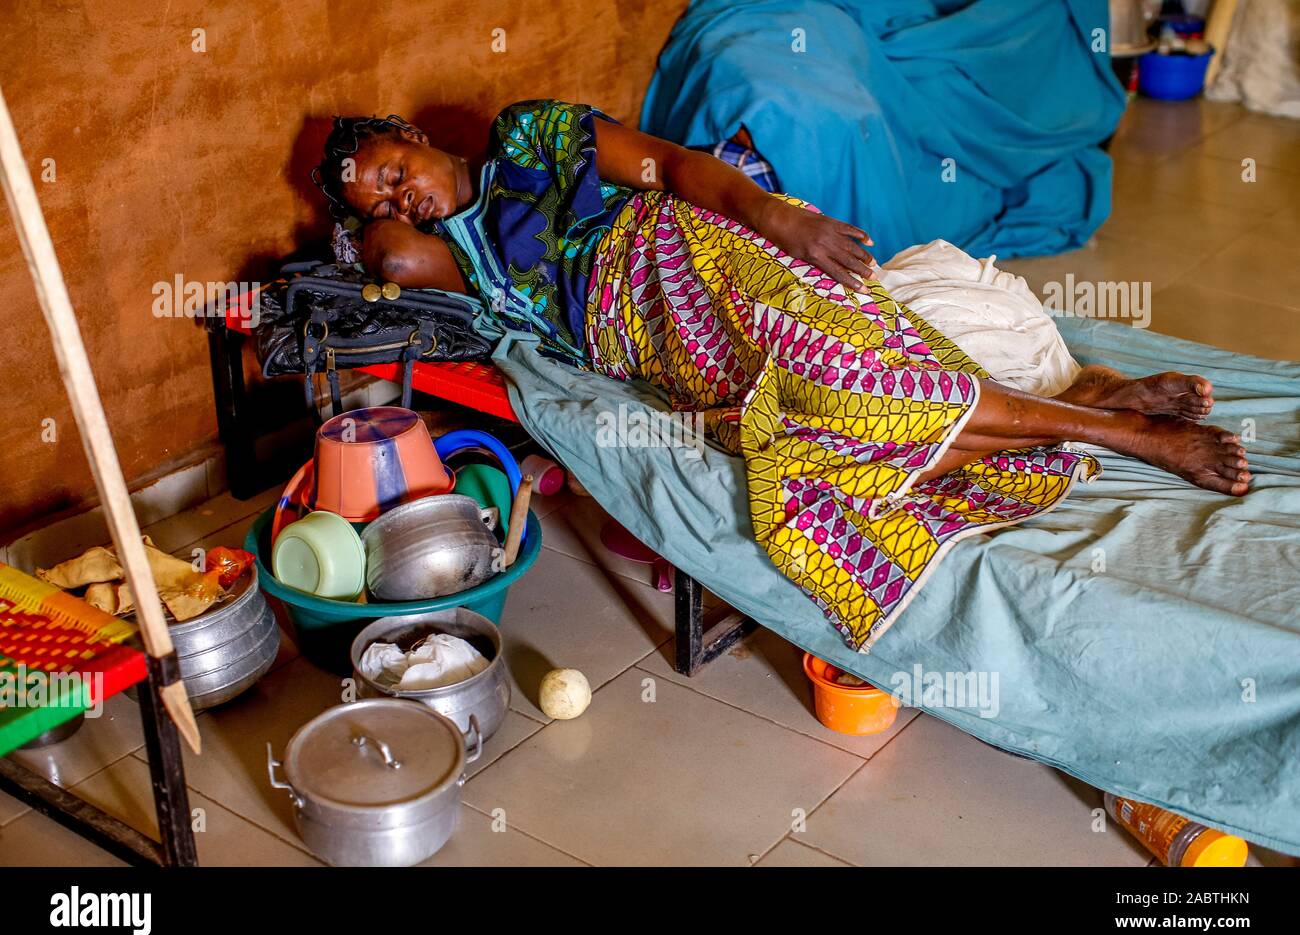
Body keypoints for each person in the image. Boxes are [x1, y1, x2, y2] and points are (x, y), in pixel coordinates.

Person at [312, 100, 1249, 648]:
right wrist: (370, 217)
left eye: (395, 167)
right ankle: (1087, 415)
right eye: (383, 199)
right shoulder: (452, 261)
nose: (404, 197)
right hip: (637, 334)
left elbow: (672, 168)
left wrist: (774, 217)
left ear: (410, 132)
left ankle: (1122, 430)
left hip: (691, 244)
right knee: (827, 412)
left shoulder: (527, 135)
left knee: (865, 360)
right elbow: (385, 258)